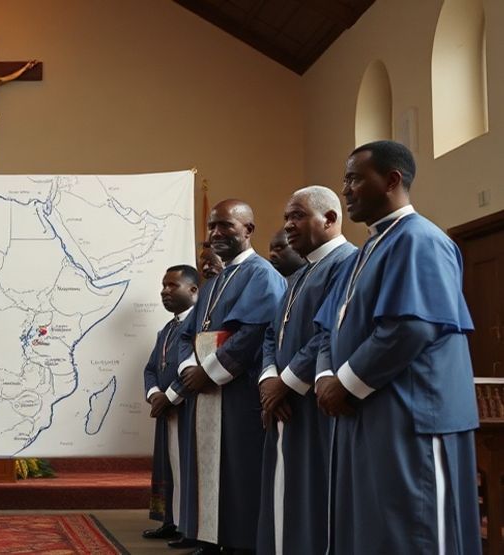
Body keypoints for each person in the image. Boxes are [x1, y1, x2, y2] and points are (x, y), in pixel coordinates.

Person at [314, 141, 480, 554]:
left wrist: (345, 383)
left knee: (417, 529)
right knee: (378, 530)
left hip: (415, 414)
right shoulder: (365, 252)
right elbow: (327, 328)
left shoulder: (420, 239)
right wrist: (324, 375)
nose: (346, 189)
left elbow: (411, 328)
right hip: (371, 409)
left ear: (392, 180)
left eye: (354, 178)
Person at [168, 199, 286, 554]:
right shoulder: (214, 281)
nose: (216, 233)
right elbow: (186, 333)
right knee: (208, 468)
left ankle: (240, 543)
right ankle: (211, 537)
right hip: (205, 391)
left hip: (237, 392)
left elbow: (252, 334)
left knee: (239, 471)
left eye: (226, 226)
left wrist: (209, 372)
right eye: (212, 227)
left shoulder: (261, 275)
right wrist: (189, 369)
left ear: (248, 229)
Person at [256, 186, 356, 555]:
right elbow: (272, 333)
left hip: (314, 404)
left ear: (329, 219)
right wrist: (269, 380)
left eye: (297, 216)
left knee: (314, 497)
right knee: (284, 493)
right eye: (286, 217)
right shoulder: (299, 274)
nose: (288, 225)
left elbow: (328, 333)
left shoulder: (347, 262)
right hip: (283, 401)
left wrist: (286, 382)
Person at [143, 265, 199, 544]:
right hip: (166, 409)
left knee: (187, 467)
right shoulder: (168, 328)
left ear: (193, 290)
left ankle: (189, 527)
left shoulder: (199, 324)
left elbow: (197, 365)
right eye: (163, 286)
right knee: (170, 467)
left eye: (171, 286)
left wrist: (171, 396)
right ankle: (171, 520)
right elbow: (151, 368)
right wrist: (155, 394)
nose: (164, 292)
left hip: (187, 407)